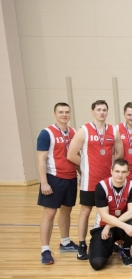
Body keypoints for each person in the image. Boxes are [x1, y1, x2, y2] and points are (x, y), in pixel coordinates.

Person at [67, 100, 124, 260]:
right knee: (85, 212)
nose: (102, 112)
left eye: (104, 110)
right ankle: (82, 244)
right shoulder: (84, 130)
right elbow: (71, 154)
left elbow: (119, 153)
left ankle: (111, 240)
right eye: (98, 110)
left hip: (108, 182)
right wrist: (86, 166)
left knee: (111, 212)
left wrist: (108, 163)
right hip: (89, 181)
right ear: (93, 112)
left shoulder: (113, 130)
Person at [36, 103, 79, 264]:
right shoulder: (46, 133)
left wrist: (83, 175)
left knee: (67, 210)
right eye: (61, 112)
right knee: (49, 213)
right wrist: (44, 182)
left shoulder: (74, 132)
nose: (64, 115)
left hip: (71, 177)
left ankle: (65, 242)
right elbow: (41, 159)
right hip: (54, 178)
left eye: (67, 112)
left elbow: (77, 155)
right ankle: (45, 250)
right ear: (55, 114)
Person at [89, 159, 132, 270]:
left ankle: (125, 249)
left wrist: (110, 226)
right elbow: (104, 216)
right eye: (117, 171)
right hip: (102, 227)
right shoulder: (101, 186)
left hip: (113, 226)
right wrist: (111, 226)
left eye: (123, 172)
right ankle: (110, 246)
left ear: (128, 173)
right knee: (97, 263)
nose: (120, 175)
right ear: (111, 171)